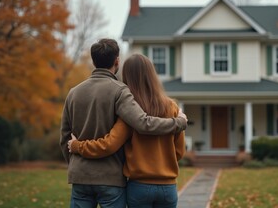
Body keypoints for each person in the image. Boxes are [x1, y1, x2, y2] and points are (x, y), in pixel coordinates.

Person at [60, 39, 187, 208]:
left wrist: (76, 162)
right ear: (116, 61)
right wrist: (178, 123)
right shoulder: (121, 92)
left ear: (93, 61)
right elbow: (172, 146)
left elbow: (65, 137)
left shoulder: (73, 93)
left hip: (82, 175)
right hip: (113, 178)